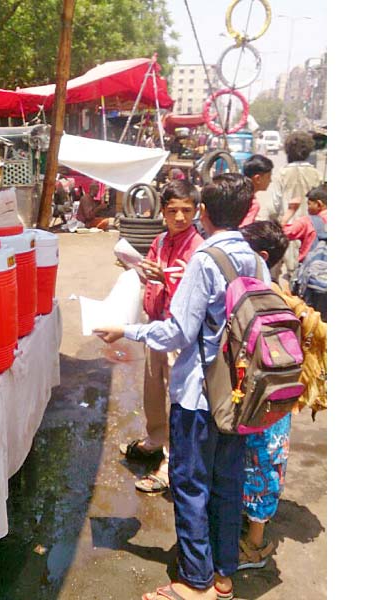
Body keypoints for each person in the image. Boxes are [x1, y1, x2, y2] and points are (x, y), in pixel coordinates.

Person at [95, 173, 265, 600]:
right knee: (228, 484)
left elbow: (175, 333)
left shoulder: (206, 260)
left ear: (203, 213)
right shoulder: (254, 259)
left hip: (199, 394)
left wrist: (126, 330)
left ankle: (195, 581)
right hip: (240, 395)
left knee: (190, 484)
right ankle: (223, 574)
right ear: (245, 212)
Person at [119, 180, 204, 495]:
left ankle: (170, 463)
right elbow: (152, 273)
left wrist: (165, 277)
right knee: (153, 389)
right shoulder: (160, 240)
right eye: (173, 211)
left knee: (176, 398)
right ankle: (155, 439)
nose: (180, 217)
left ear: (197, 211)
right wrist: (143, 270)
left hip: (178, 333)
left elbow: (195, 294)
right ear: (163, 212)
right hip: (155, 326)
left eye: (186, 210)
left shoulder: (198, 248)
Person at [236, 220, 291, 570]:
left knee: (261, 466)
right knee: (255, 465)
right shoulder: (270, 292)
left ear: (260, 256)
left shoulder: (270, 300)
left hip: (265, 402)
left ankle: (254, 547)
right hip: (266, 400)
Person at [269, 132, 322, 285]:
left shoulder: (282, 174)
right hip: (313, 230)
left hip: (288, 229)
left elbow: (275, 206)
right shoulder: (316, 174)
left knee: (284, 274)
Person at [279, 184, 327, 263]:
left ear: (318, 204)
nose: (308, 208)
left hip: (311, 270)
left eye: (309, 204)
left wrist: (290, 211)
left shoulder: (307, 222)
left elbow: (280, 235)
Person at [239, 154, 274, 227]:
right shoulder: (252, 203)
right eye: (268, 177)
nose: (270, 180)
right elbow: (245, 229)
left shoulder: (239, 194)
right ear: (257, 179)